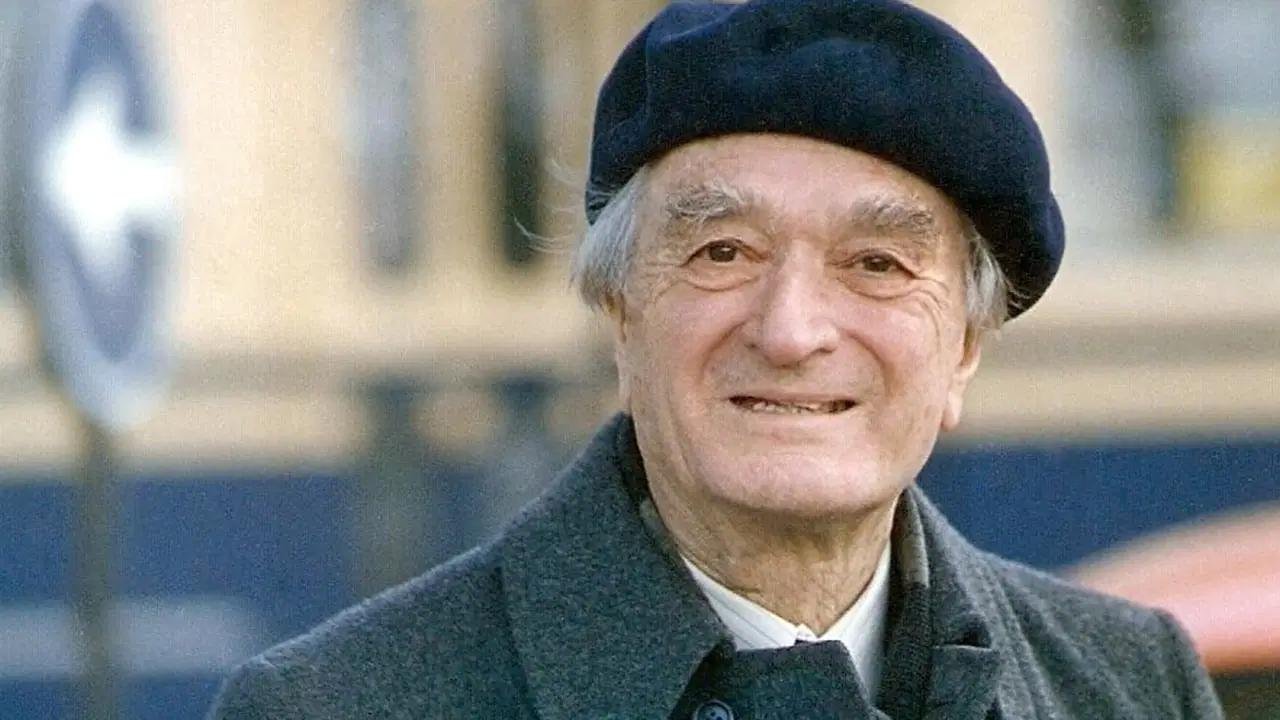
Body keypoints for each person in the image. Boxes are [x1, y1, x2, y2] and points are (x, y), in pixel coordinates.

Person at [208, 1, 1224, 718]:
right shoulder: (331, 704)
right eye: (722, 253)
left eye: (875, 265)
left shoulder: (1130, 683)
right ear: (619, 316)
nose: (790, 331)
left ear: (962, 350)